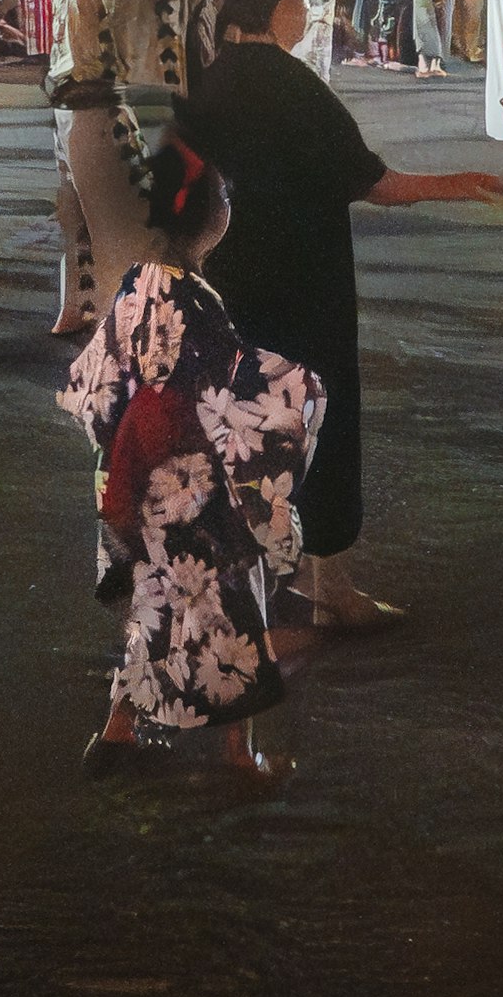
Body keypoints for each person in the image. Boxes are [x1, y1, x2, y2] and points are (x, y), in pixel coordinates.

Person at [179, 0, 503, 638]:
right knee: (322, 415)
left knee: (247, 422)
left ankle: (250, 583)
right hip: (305, 271)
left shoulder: (213, 76)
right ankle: (332, 585)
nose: (305, 10)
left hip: (235, 270)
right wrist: (457, 183)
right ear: (274, 4)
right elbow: (371, 179)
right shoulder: (291, 84)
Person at [61, 132, 323, 786]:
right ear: (215, 216)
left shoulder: (136, 284)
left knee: (155, 597)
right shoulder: (200, 302)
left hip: (134, 461)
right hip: (191, 475)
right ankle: (239, 752)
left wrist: (112, 451)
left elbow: (100, 378)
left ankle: (119, 726)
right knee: (234, 598)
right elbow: (229, 396)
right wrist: (294, 400)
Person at [49, 0, 169, 336]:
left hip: (63, 113)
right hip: (99, 110)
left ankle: (72, 308)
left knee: (75, 214)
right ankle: (111, 321)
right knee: (118, 219)